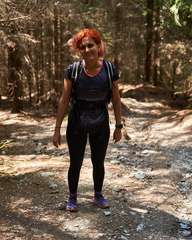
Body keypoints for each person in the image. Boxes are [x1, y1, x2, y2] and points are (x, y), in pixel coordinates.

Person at [52, 29, 123, 212]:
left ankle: (97, 195)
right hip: (77, 122)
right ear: (79, 50)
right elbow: (64, 100)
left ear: (99, 46)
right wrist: (57, 129)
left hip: (101, 122)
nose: (87, 49)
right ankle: (72, 197)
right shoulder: (73, 70)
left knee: (98, 162)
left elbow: (116, 99)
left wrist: (118, 126)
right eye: (82, 47)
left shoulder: (109, 69)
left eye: (90, 45)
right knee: (75, 162)